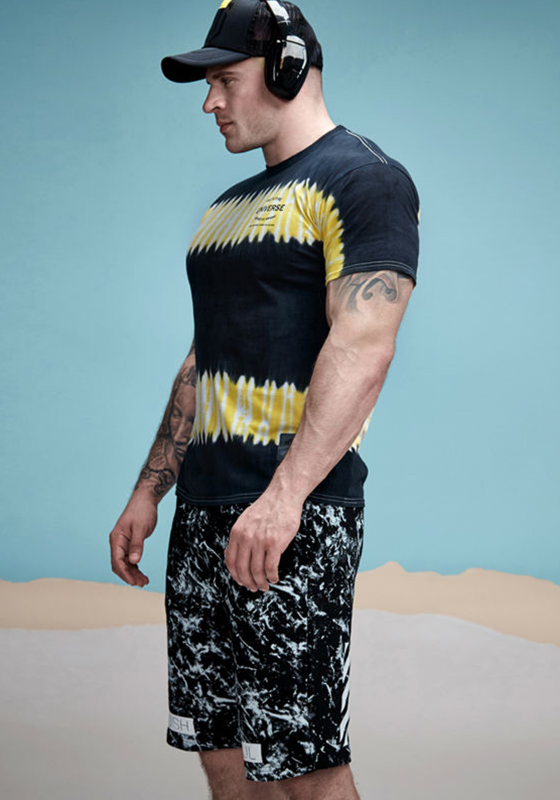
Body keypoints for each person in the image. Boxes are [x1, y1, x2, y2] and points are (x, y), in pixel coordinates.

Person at [109, 1, 420, 798]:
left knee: (306, 765)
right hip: (204, 510)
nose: (209, 103)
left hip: (291, 516)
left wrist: (283, 501)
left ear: (287, 68)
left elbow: (365, 347)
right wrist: (149, 492)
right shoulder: (225, 211)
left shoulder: (363, 179)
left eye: (224, 80)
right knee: (221, 750)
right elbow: (204, 359)